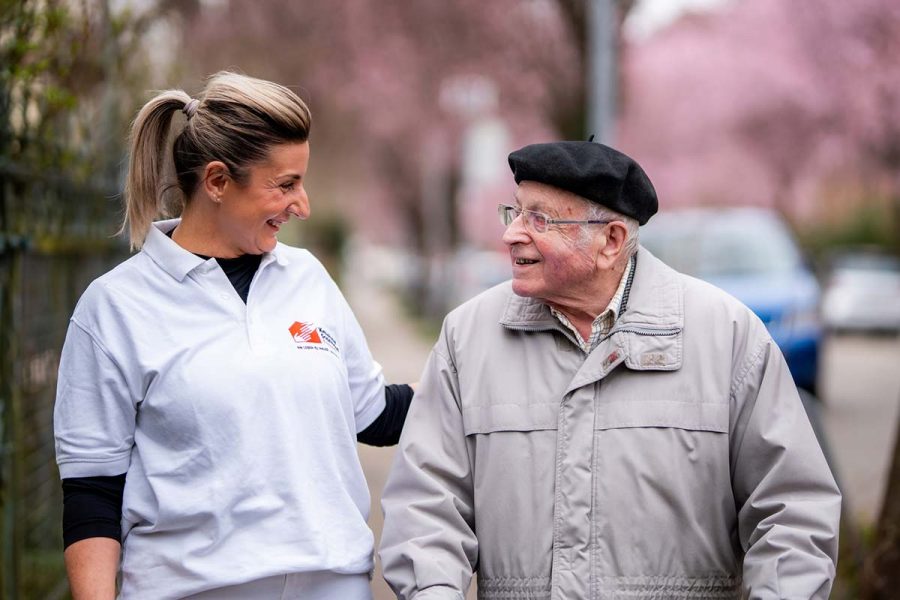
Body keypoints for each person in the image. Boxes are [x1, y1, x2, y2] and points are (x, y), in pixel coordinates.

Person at [379, 141, 841, 599]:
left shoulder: (729, 336)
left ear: (611, 241)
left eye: (539, 219)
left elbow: (793, 512)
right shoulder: (467, 337)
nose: (512, 234)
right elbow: (426, 505)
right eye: (515, 212)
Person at [53, 72, 412, 600]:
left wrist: (481, 386)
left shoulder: (308, 278)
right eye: (285, 184)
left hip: (336, 585)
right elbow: (91, 494)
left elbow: (374, 413)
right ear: (217, 182)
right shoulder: (114, 308)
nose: (303, 204)